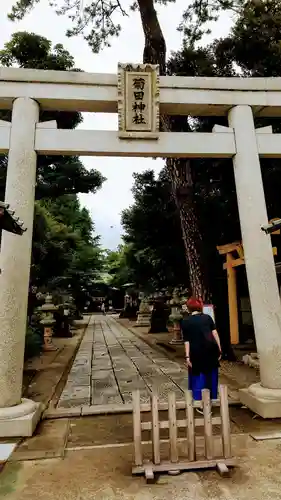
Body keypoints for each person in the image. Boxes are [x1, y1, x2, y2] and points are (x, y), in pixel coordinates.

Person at [182, 297, 222, 402]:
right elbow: (215, 333)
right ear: (200, 306)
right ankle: (212, 398)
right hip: (210, 350)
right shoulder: (207, 318)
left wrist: (187, 356)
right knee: (212, 374)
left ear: (189, 308)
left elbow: (187, 341)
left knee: (198, 376)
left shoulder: (186, 321)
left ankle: (198, 399)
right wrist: (219, 349)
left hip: (196, 352)